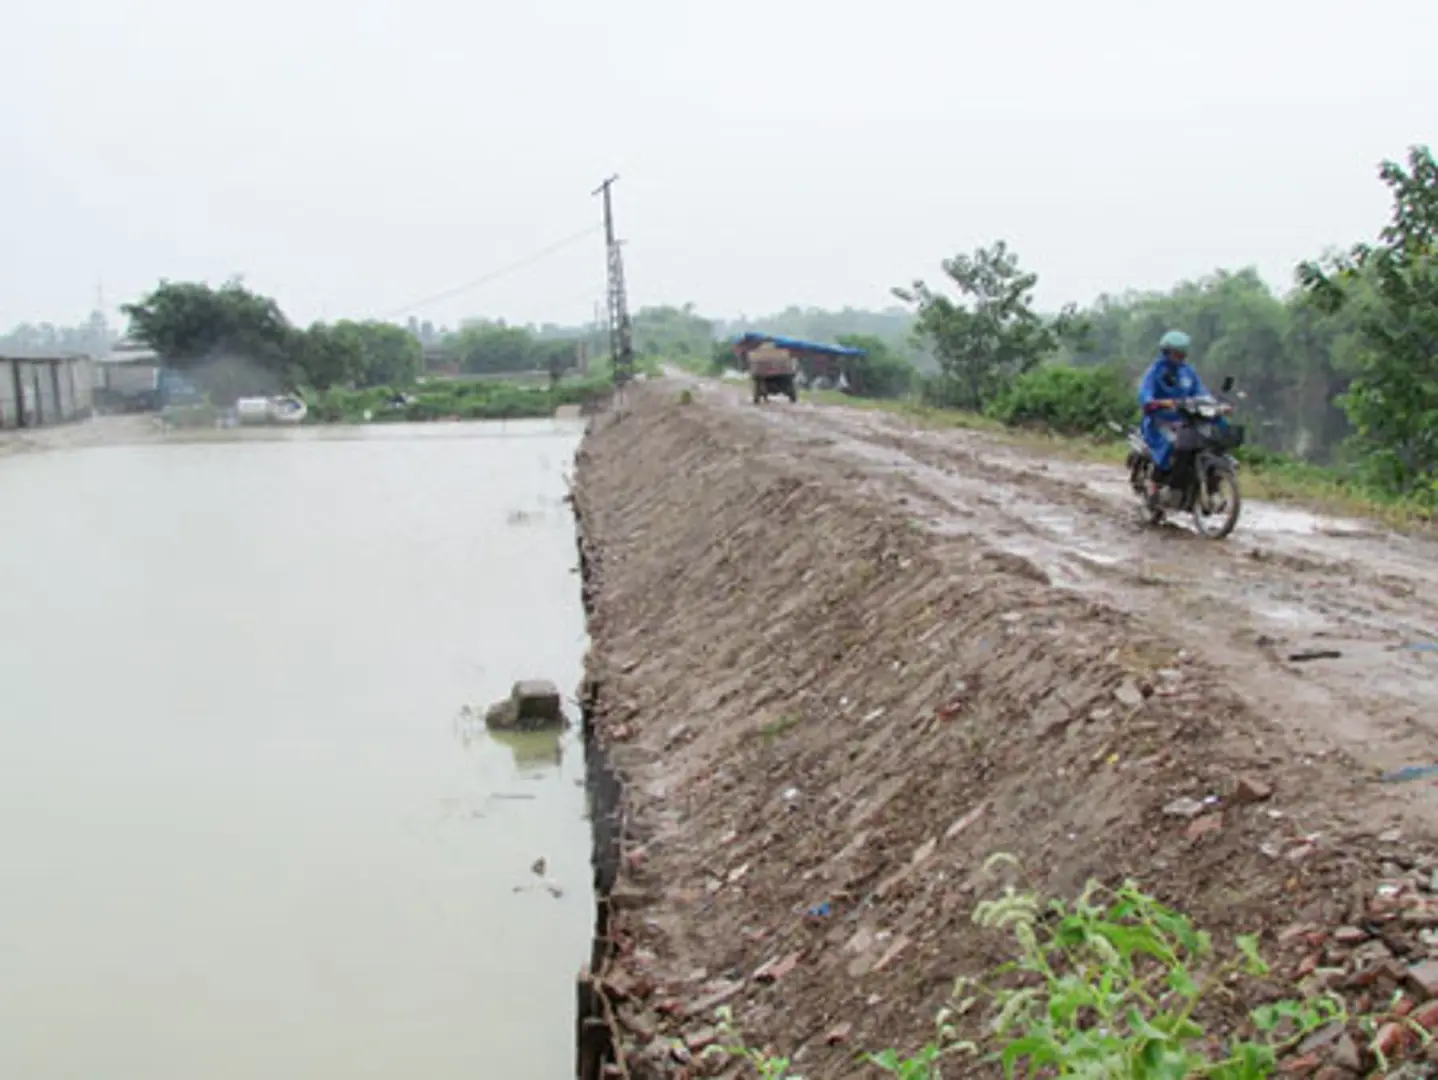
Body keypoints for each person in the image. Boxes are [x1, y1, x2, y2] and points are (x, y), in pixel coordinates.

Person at [1138, 330, 1208, 499]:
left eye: (1183, 353)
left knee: (1203, 441)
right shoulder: (1155, 371)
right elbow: (1145, 394)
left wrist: (1213, 404)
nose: (1181, 357)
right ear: (1167, 352)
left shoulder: (1188, 372)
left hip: (1184, 421)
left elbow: (1201, 392)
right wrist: (1156, 402)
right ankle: (1156, 482)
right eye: (1177, 353)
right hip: (1159, 421)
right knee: (1171, 443)